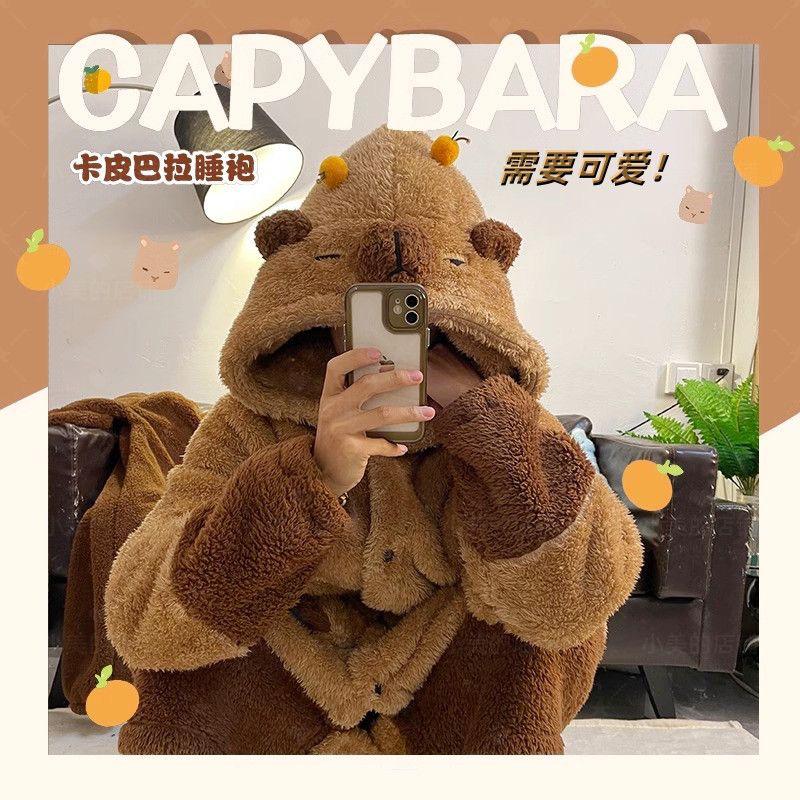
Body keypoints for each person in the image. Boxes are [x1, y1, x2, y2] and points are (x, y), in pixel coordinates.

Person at [104, 126, 643, 754]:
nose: (394, 346)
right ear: (316, 316)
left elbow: (578, 601)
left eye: (423, 324)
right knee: (195, 623)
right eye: (361, 319)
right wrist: (312, 477)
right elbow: (142, 618)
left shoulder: (513, 422)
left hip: (449, 700)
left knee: (538, 615)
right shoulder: (246, 422)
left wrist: (486, 423)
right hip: (281, 698)